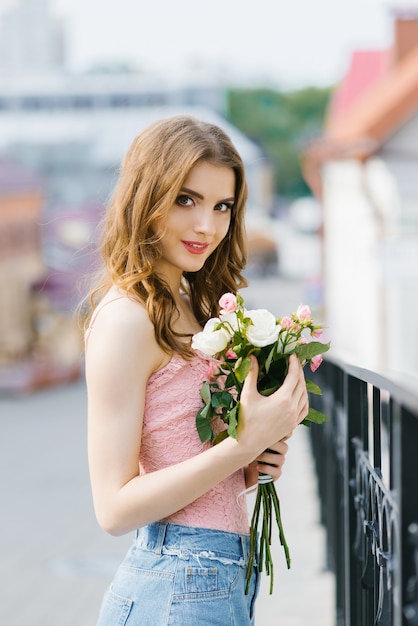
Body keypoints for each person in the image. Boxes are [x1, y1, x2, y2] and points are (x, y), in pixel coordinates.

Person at [84, 115, 309, 626]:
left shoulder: (190, 305)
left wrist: (255, 460)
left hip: (216, 583)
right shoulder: (126, 319)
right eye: (186, 199)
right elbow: (113, 509)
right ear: (147, 196)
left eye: (222, 206)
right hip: (174, 586)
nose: (206, 225)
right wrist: (243, 445)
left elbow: (185, 457)